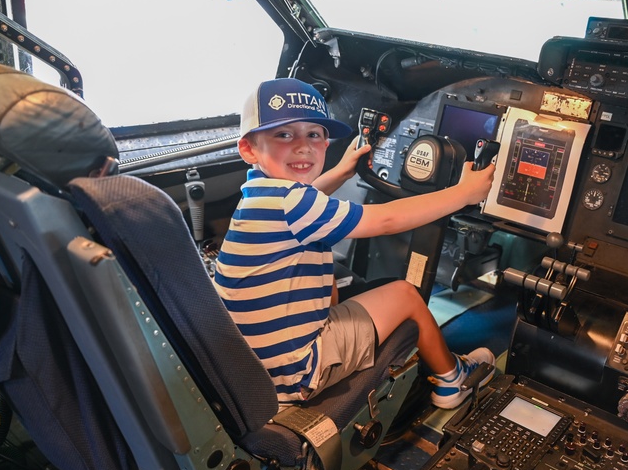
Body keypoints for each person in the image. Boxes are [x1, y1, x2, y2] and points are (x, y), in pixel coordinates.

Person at [212, 78, 498, 409]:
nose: (303, 146)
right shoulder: (294, 204)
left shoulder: (262, 194)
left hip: (257, 368)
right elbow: (387, 220)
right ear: (248, 148)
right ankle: (453, 381)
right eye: (284, 134)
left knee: (333, 280)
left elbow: (308, 204)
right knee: (405, 295)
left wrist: (341, 173)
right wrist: (464, 193)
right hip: (296, 373)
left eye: (314, 134)